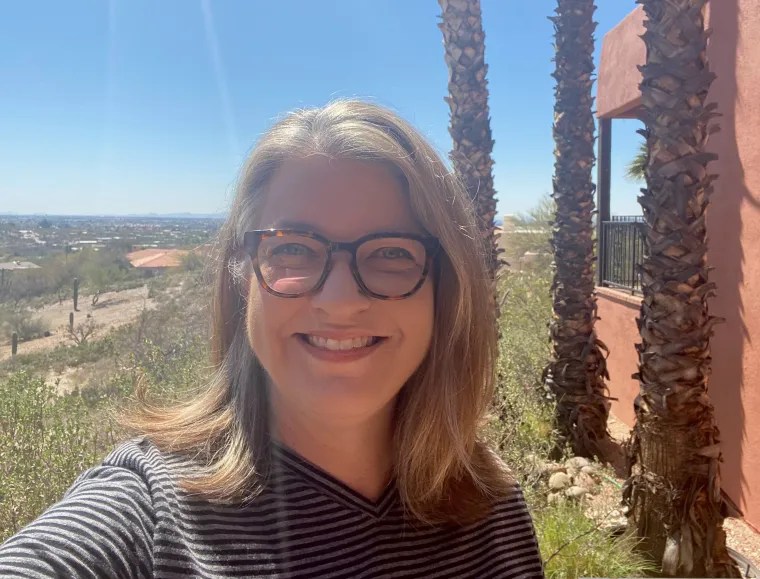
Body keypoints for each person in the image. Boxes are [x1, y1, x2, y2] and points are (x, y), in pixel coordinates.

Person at [0, 100, 544, 578]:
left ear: (446, 292)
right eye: (291, 248)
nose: (337, 300)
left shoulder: (490, 506)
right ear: (242, 283)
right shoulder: (151, 515)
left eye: (392, 253)